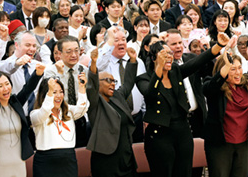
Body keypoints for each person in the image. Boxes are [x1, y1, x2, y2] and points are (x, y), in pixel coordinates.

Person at [136, 32, 233, 177]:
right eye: (163, 54)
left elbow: (198, 61)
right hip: (160, 136)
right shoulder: (143, 79)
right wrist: (159, 69)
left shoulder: (176, 71)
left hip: (182, 132)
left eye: (169, 53)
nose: (168, 56)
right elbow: (150, 94)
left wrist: (219, 45)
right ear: (154, 57)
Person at [0, 60, 45, 176]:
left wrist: (38, 73)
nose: (5, 89)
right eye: (0, 86)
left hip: (18, 161)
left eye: (7, 84)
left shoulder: (15, 103)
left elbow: (27, 89)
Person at [87, 47, 138, 177]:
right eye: (108, 81)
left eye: (113, 81)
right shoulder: (94, 103)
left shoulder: (117, 96)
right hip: (106, 161)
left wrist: (132, 61)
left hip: (126, 157)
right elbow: (91, 85)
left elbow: (127, 83)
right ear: (98, 84)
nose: (113, 84)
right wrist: (93, 63)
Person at [203, 45, 248, 177]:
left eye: (239, 68)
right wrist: (224, 68)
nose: (238, 72)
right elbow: (209, 88)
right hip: (220, 145)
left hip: (244, 145)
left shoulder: (245, 85)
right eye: (232, 69)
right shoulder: (214, 87)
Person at [31, 75, 88, 177]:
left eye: (61, 92)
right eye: (54, 92)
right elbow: (44, 112)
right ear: (46, 95)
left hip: (68, 162)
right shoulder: (35, 114)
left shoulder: (68, 111)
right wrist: (49, 94)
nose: (58, 96)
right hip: (45, 163)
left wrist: (82, 87)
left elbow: (82, 108)